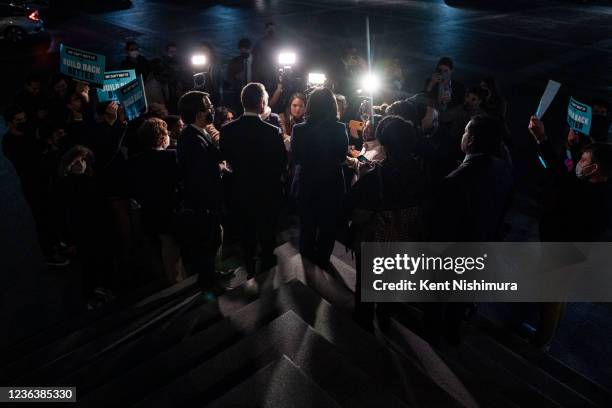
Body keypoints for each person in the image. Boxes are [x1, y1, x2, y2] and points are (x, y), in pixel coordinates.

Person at [426, 114, 514, 346]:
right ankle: (453, 332)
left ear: (472, 140)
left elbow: (442, 225)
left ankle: (432, 336)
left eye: (465, 131)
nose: (462, 135)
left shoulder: (456, 180)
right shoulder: (503, 168)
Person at [347, 116, 428, 329]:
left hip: (377, 240)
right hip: (406, 239)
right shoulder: (421, 172)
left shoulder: (376, 175)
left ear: (385, 143)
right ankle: (385, 318)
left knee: (366, 283)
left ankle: (364, 325)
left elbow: (357, 211)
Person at [220, 83, 288, 277]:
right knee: (267, 229)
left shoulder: (227, 130)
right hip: (268, 190)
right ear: (261, 103)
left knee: (246, 229)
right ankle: (267, 262)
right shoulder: (272, 131)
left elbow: (225, 158)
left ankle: (249, 262)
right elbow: (282, 162)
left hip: (240, 189)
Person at [291, 87, 348, 267]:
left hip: (307, 183)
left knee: (307, 226)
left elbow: (297, 157)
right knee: (328, 226)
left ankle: (306, 264)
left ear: (311, 106)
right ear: (332, 106)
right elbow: (341, 156)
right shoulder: (339, 128)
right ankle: (323, 261)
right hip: (332, 183)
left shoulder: (299, 129)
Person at [176, 91, 223, 291]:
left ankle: (211, 275)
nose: (212, 108)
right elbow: (200, 174)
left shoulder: (199, 133)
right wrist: (219, 168)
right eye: (208, 106)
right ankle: (208, 285)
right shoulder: (192, 139)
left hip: (207, 202)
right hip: (202, 203)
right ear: (198, 114)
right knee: (206, 244)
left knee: (213, 241)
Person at [128, 118, 183, 284]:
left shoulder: (134, 161)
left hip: (149, 212)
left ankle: (172, 281)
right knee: (174, 251)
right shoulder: (171, 156)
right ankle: (179, 285)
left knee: (162, 248)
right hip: (172, 210)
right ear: (161, 137)